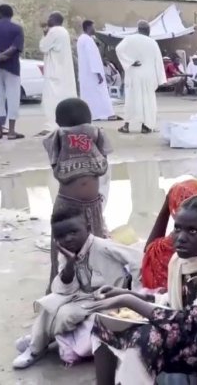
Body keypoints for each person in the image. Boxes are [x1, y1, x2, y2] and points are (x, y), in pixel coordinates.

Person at [86, 195, 197, 384]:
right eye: (177, 228)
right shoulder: (180, 261)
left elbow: (190, 321)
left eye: (193, 231)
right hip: (186, 326)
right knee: (103, 323)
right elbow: (171, 301)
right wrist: (128, 294)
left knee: (147, 338)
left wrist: (130, 302)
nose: (181, 238)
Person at [12, 206, 142, 369]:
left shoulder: (103, 247)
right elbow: (64, 289)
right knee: (48, 305)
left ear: (87, 228)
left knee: (71, 320)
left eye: (73, 232)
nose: (67, 239)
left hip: (107, 299)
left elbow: (137, 259)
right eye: (61, 236)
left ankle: (39, 338)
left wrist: (136, 293)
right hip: (80, 297)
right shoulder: (65, 253)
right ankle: (36, 348)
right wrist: (70, 264)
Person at [43, 98, 113, 293]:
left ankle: (92, 285)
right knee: (63, 247)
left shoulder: (97, 135)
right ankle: (58, 288)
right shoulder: (56, 138)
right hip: (67, 205)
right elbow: (55, 162)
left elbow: (102, 162)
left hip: (93, 204)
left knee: (95, 244)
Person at [115, 20, 166, 134]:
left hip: (133, 74)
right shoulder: (153, 42)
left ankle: (126, 126)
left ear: (138, 29)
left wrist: (129, 62)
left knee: (131, 99)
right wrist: (161, 79)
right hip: (148, 75)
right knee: (147, 101)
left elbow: (118, 49)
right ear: (148, 30)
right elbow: (158, 61)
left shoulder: (129, 39)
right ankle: (146, 126)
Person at [40, 11, 77, 135]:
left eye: (50, 17)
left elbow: (43, 47)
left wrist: (45, 34)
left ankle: (52, 126)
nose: (48, 19)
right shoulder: (63, 31)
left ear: (55, 19)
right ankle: (63, 123)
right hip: (61, 71)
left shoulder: (54, 31)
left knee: (52, 99)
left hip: (54, 73)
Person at [0, 4, 25, 140]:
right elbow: (14, 48)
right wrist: (2, 57)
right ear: (11, 15)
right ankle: (11, 131)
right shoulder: (17, 28)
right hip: (12, 67)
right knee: (13, 98)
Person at [77, 20, 120, 121]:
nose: (94, 29)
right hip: (92, 74)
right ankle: (105, 114)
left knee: (89, 95)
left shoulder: (81, 39)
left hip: (86, 73)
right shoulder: (87, 40)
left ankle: (92, 114)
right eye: (93, 27)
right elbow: (92, 58)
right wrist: (98, 74)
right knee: (99, 93)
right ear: (88, 28)